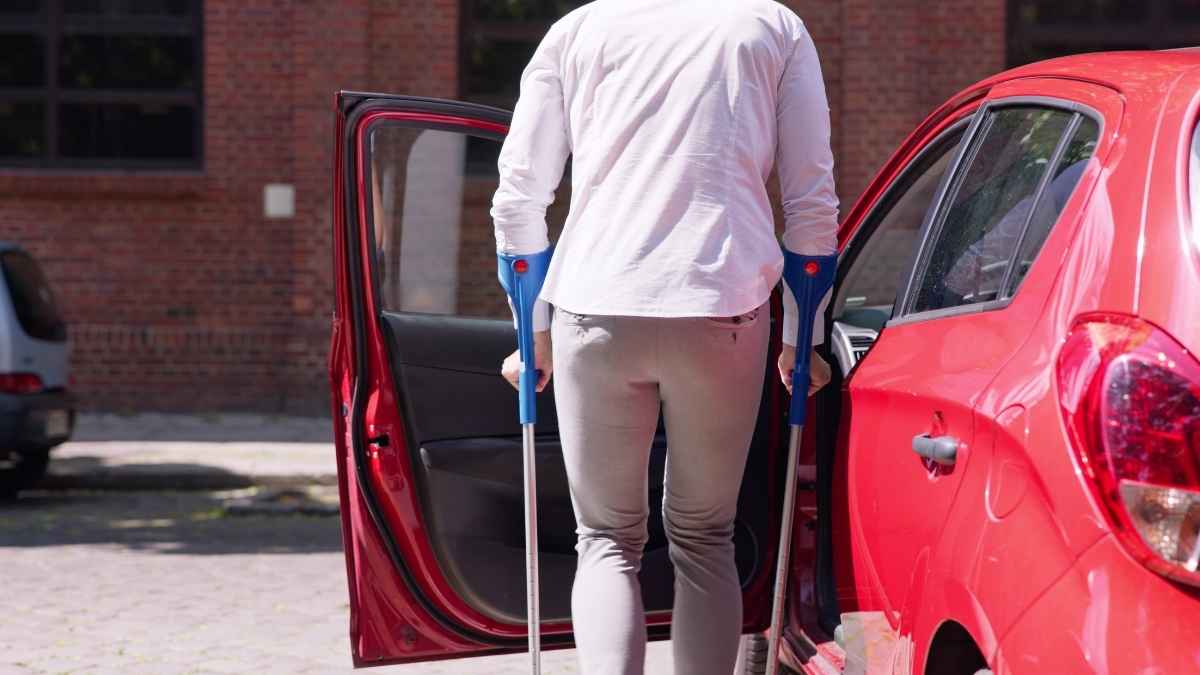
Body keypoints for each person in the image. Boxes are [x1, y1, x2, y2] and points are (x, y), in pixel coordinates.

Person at [491, 1, 837, 673]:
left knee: (606, 540)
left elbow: (519, 195)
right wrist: (804, 337)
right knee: (705, 535)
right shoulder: (771, 26)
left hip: (594, 306)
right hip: (722, 304)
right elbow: (810, 199)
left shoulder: (578, 30)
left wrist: (529, 330)